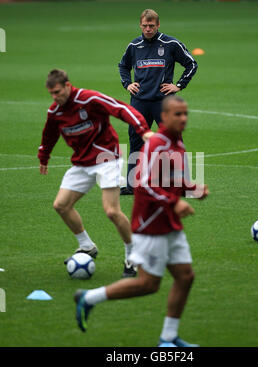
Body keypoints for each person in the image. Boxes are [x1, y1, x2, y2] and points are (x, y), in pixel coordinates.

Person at [74, 95, 209, 347]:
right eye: (177, 114)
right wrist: (174, 202)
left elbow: (175, 179)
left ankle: (168, 338)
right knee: (148, 284)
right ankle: (89, 298)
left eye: (185, 114)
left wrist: (192, 188)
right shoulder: (156, 144)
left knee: (185, 277)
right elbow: (144, 184)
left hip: (170, 224)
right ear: (164, 116)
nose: (183, 118)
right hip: (151, 227)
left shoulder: (177, 142)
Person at [38, 69, 153, 278]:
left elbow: (121, 108)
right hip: (82, 162)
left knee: (111, 211)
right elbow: (49, 135)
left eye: (57, 92)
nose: (55, 98)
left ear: (67, 85)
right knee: (61, 205)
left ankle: (133, 255)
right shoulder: (55, 111)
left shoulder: (89, 99)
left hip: (106, 159)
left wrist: (143, 129)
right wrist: (43, 157)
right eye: (51, 94)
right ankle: (87, 246)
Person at [118, 8, 198, 195]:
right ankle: (133, 185)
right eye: (145, 26)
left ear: (158, 25)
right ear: (140, 25)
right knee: (136, 141)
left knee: (173, 141)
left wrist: (178, 85)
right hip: (139, 102)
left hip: (164, 104)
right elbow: (123, 65)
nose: (148, 29)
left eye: (151, 26)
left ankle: (181, 185)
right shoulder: (134, 45)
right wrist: (127, 84)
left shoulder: (170, 43)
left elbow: (191, 64)